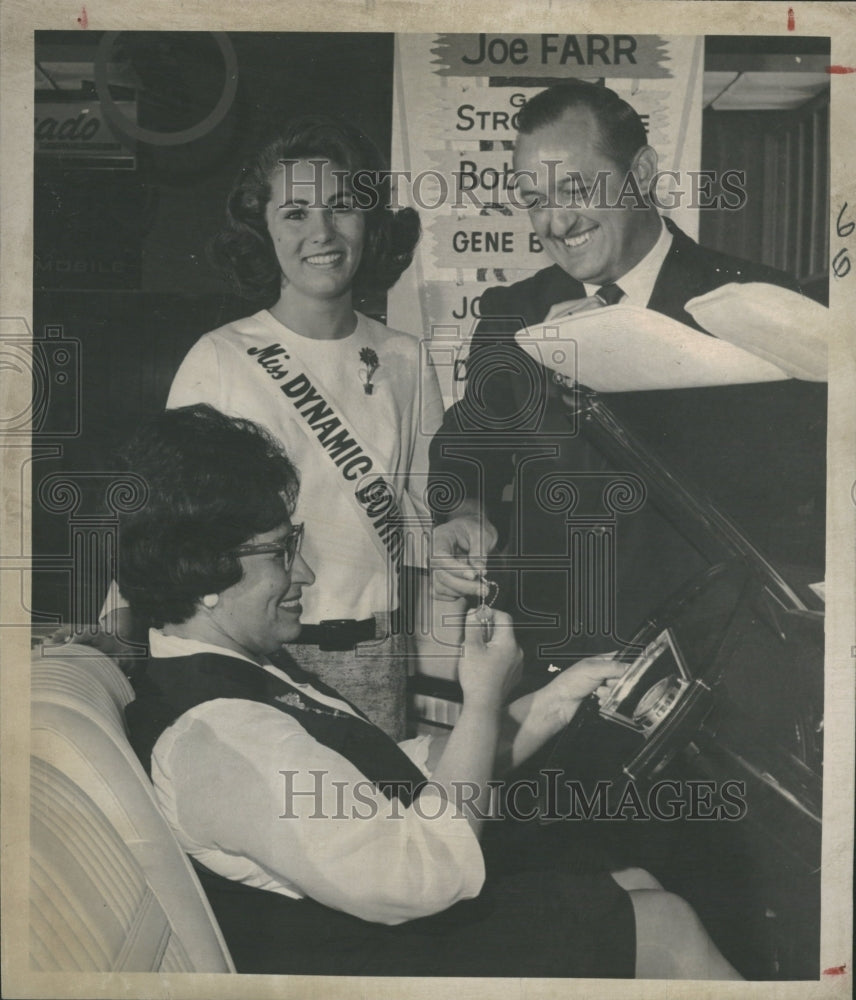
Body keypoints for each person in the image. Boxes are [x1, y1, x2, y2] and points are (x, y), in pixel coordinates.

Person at [119, 403, 743, 979]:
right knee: (665, 924)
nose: (304, 572)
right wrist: (479, 702)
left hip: (379, 933)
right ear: (202, 571)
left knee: (633, 883)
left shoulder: (231, 674)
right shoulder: (220, 735)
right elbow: (423, 872)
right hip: (373, 966)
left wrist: (556, 701)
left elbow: (402, 778)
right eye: (283, 552)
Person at [428, 79, 824, 676]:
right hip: (552, 669)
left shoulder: (753, 300)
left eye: (576, 187)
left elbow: (804, 493)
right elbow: (467, 448)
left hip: (718, 664)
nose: (556, 222)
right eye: (534, 198)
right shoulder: (515, 314)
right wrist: (463, 510)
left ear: (641, 172)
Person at [144, 115, 444, 738]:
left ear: (371, 222)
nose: (323, 233)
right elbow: (167, 532)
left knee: (382, 824)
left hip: (379, 651)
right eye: (296, 214)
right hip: (258, 658)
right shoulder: (222, 357)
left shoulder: (407, 358)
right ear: (263, 228)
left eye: (343, 207)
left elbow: (421, 517)